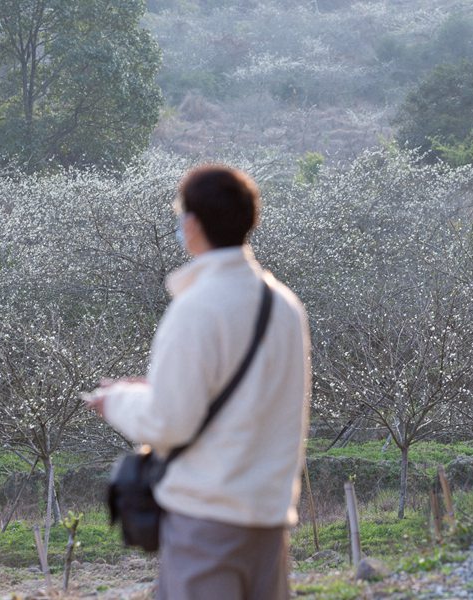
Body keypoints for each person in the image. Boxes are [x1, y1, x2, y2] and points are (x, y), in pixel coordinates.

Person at [85, 165, 311, 600]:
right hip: (270, 516)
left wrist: (117, 401)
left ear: (191, 224)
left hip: (207, 519)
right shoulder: (285, 305)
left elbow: (170, 422)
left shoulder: (196, 307)